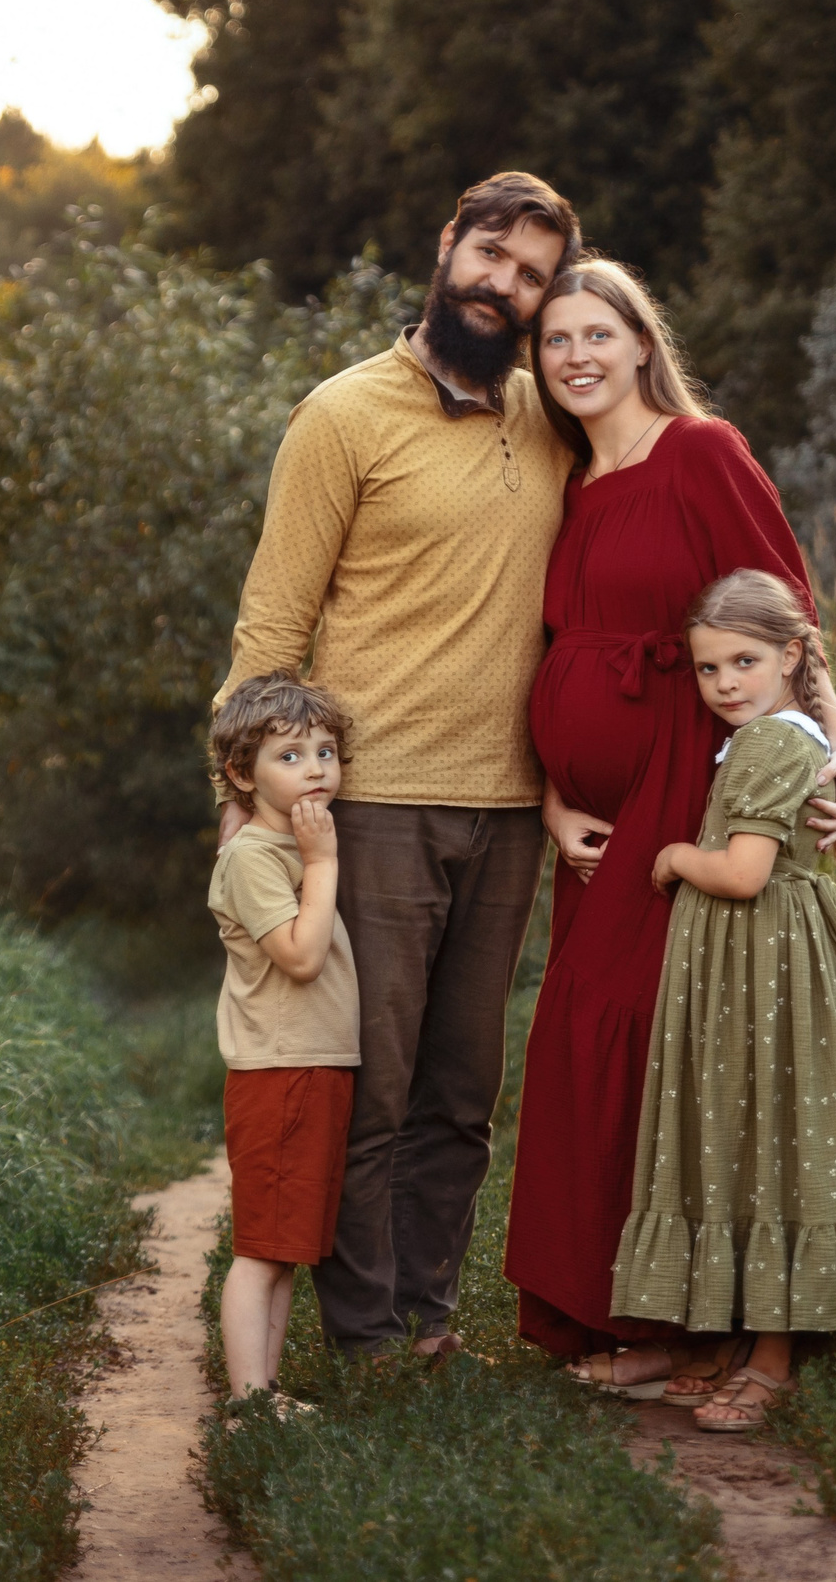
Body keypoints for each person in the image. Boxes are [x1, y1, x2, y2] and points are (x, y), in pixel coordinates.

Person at [216, 173, 582, 1356]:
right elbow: (273, 627)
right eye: (490, 255)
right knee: (368, 1084)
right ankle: (363, 1330)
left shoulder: (550, 417)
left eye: (531, 273)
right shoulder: (343, 414)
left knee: (461, 1088)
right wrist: (241, 812)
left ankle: (428, 1314)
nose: (503, 284)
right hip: (362, 804)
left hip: (509, 807)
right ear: (447, 246)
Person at [504, 259, 836, 1394]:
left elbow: (783, 604)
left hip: (687, 782)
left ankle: (723, 1323)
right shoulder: (569, 482)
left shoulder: (700, 451)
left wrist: (834, 747)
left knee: (677, 1038)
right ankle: (635, 1314)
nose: (576, 356)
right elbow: (556, 655)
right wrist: (555, 795)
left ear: (640, 339)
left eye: (596, 332)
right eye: (555, 340)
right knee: (585, 1037)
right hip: (594, 815)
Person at [613, 569, 836, 1431]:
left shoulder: (777, 742)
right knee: (744, 1133)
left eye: (744, 661)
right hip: (752, 965)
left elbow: (742, 874)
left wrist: (671, 858)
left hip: (765, 964)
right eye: (708, 670)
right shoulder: (769, 737)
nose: (726, 683)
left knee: (774, 1136)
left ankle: (774, 1357)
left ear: (790, 655)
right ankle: (732, 1340)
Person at [206, 672, 364, 1401]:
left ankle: (263, 1394)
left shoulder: (293, 849)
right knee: (261, 1251)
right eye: (291, 756)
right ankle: (246, 1404)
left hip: (316, 1064)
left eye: (326, 753)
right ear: (242, 773)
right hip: (280, 1070)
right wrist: (325, 863)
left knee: (287, 1249)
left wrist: (317, 859)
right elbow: (300, 958)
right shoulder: (254, 859)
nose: (315, 771)